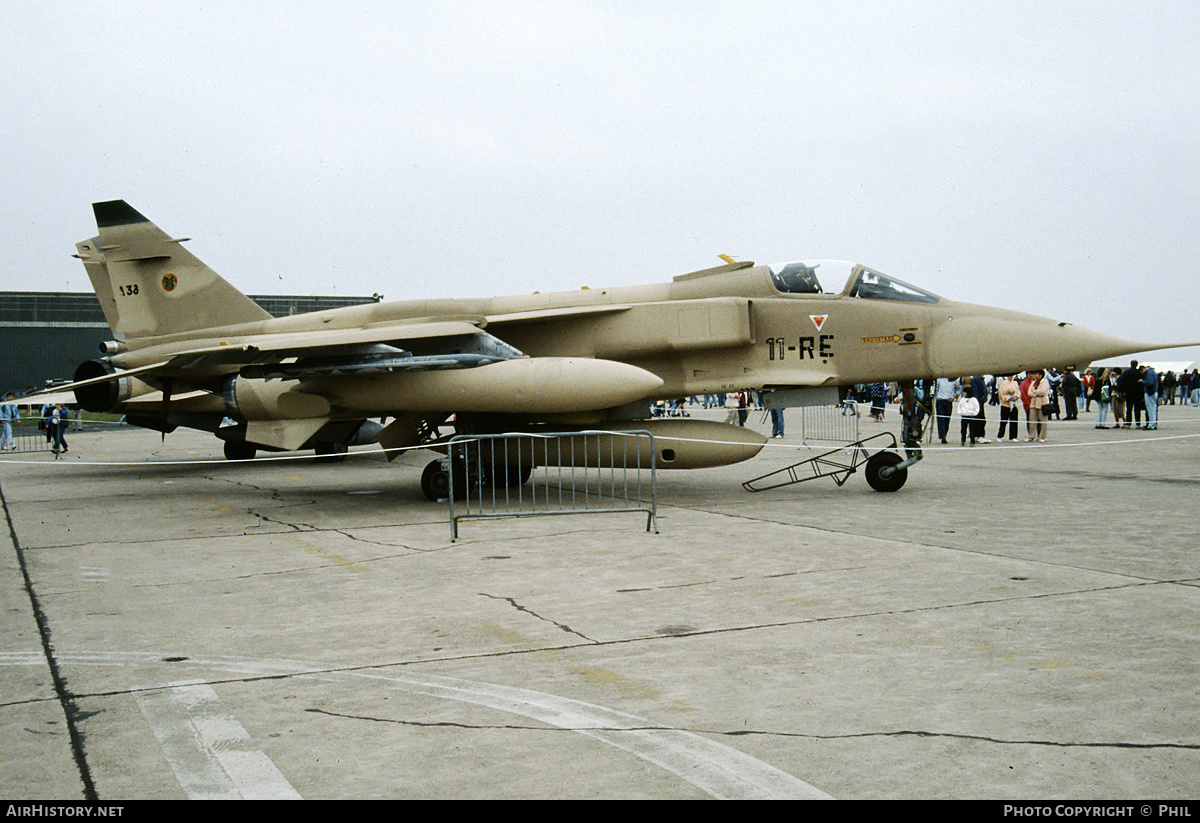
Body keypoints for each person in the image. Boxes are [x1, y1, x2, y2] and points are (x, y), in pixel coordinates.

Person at [934, 377, 960, 444]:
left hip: (949, 401)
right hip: (940, 400)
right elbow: (935, 389)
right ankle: (942, 436)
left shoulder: (954, 379)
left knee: (947, 419)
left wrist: (954, 397)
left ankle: (945, 433)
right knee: (941, 419)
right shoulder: (939, 379)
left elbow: (959, 389)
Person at [1027, 369, 1050, 442]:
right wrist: (1035, 393)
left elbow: (1043, 391)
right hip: (1033, 404)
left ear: (1041, 375)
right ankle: (1031, 436)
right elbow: (1029, 392)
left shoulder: (1045, 382)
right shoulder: (1033, 382)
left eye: (1037, 374)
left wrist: (1034, 392)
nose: (1035, 376)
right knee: (1032, 420)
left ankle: (1043, 436)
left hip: (1042, 404)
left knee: (1043, 421)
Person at [996, 375, 1020, 441]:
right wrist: (1007, 398)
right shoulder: (1003, 383)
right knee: (1004, 421)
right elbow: (1001, 394)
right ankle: (1000, 436)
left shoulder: (1015, 383)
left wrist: (1016, 398)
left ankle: (1013, 436)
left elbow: (1018, 392)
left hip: (1014, 405)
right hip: (1005, 405)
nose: (1011, 376)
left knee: (1014, 421)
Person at [1142, 364, 1159, 430]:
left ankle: (1151, 425)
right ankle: (1153, 424)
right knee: (1153, 409)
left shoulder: (1149, 373)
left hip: (1149, 393)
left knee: (1150, 409)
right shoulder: (1153, 372)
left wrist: (1143, 381)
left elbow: (1150, 382)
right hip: (1154, 392)